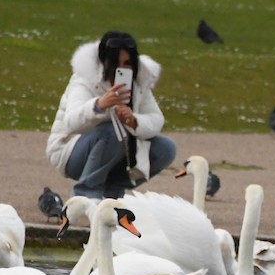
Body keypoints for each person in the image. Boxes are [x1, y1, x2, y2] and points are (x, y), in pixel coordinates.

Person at [46, 31, 177, 199]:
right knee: (112, 132)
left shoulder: (139, 81)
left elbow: (156, 119)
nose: (122, 68)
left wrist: (133, 120)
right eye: (116, 63)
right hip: (69, 152)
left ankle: (112, 193)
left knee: (166, 148)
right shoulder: (85, 79)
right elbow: (71, 123)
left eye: (127, 63)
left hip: (115, 149)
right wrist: (99, 105)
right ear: (104, 62)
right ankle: (86, 195)